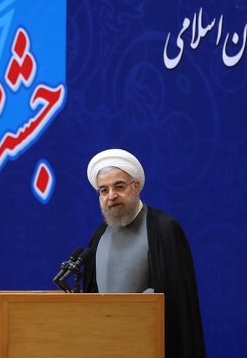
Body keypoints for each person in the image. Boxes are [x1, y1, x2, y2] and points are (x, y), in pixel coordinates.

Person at [82, 148, 206, 358]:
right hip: (106, 345)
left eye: (119, 186)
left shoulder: (164, 228)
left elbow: (177, 304)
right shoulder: (99, 235)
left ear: (136, 186)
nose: (111, 196)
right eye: (104, 190)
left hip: (151, 344)